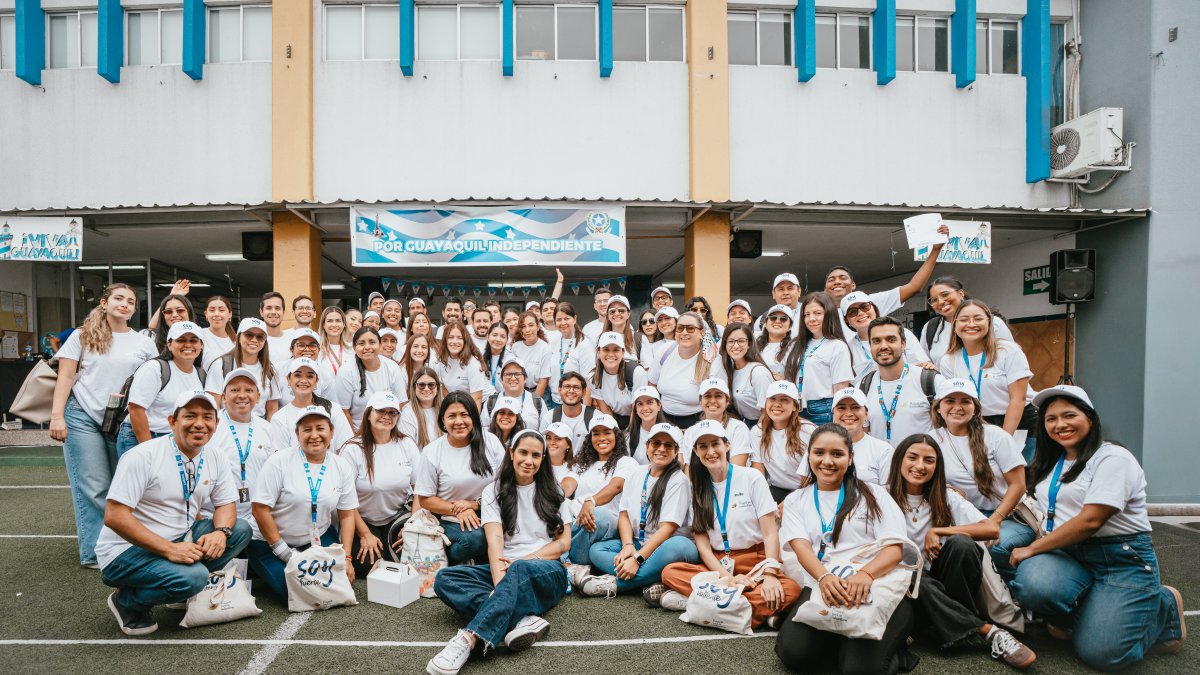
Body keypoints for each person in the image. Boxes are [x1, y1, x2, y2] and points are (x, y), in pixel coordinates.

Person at [999, 386, 1186, 670]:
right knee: (1032, 583)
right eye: (1051, 419)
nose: (1060, 425)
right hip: (1069, 553)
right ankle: (1088, 612)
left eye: (1069, 415)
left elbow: (1091, 521)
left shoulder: (1113, 458)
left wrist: (1033, 548)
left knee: (1103, 654)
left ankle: (1163, 609)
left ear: (1090, 417)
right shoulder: (1053, 461)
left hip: (1120, 559)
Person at [96, 390, 252, 635]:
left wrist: (220, 532)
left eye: (207, 417)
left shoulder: (215, 455)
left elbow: (226, 504)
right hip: (124, 551)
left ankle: (175, 583)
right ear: (172, 421)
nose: (199, 424)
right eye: (190, 416)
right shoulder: (143, 456)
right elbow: (115, 516)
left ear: (216, 423)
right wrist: (170, 549)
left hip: (179, 538)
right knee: (194, 578)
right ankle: (127, 602)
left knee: (240, 529)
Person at [883, 435, 1037, 669]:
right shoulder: (879, 496)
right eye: (912, 457)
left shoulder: (945, 495)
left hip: (946, 585)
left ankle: (944, 626)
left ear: (937, 466)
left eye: (929, 460)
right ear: (899, 460)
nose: (920, 466)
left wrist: (939, 531)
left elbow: (990, 528)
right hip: (903, 591)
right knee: (912, 577)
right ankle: (987, 631)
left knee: (962, 544)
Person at [774, 423, 917, 674]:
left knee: (859, 670)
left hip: (873, 586)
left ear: (850, 458)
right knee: (793, 654)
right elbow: (801, 547)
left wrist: (865, 574)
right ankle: (843, 641)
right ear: (809, 456)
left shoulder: (874, 494)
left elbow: (894, 550)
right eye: (819, 453)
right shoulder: (797, 499)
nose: (827, 461)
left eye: (837, 454)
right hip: (824, 585)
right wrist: (824, 577)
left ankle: (896, 648)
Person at [427, 430, 572, 675]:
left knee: (518, 568)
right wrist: (501, 583)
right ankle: (523, 619)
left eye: (536, 455)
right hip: (505, 568)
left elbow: (563, 543)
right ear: (511, 453)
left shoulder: (554, 492)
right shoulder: (493, 492)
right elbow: (495, 545)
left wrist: (521, 561)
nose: (529, 460)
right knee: (445, 578)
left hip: (548, 571)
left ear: (542, 459)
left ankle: (469, 639)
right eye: (523, 452)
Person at [51, 283, 158, 568]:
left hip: (121, 421)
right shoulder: (81, 336)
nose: (125, 304)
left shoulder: (144, 343)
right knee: (94, 487)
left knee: (123, 487)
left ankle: (122, 546)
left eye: (131, 301)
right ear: (103, 303)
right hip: (82, 416)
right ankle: (94, 553)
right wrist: (57, 416)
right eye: (119, 299)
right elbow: (65, 378)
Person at [659, 421, 800, 624]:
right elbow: (703, 545)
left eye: (715, 443)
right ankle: (751, 611)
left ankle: (703, 602)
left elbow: (770, 533)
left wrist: (770, 574)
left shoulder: (752, 477)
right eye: (703, 446)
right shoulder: (697, 486)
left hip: (755, 559)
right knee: (670, 573)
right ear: (696, 452)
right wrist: (728, 578)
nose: (710, 451)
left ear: (727, 445)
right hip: (719, 564)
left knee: (791, 590)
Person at [248, 405, 360, 602]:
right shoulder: (279, 461)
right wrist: (283, 552)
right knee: (297, 590)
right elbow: (259, 510)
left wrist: (347, 558)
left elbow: (347, 513)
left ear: (331, 431)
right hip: (270, 543)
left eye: (320, 428)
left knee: (337, 582)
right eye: (307, 429)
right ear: (297, 433)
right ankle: (260, 567)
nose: (314, 435)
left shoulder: (341, 465)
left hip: (317, 538)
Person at [581, 422, 698, 598]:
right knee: (596, 551)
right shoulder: (637, 473)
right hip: (639, 542)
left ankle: (616, 585)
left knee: (680, 546)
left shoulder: (678, 480)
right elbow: (624, 514)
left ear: (675, 452)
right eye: (656, 443)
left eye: (668, 445)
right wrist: (628, 545)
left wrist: (637, 560)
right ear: (647, 446)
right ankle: (651, 578)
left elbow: (668, 529)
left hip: (666, 547)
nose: (661, 449)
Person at [929, 378, 1027, 564]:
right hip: (963, 517)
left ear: (975, 408)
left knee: (992, 547)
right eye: (950, 401)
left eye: (965, 401)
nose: (957, 407)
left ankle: (1009, 590)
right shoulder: (931, 440)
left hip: (1009, 516)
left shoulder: (996, 436)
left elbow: (1018, 484)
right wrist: (946, 488)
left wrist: (995, 520)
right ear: (938, 408)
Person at [414, 392, 506, 564]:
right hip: (447, 515)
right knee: (472, 541)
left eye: (464, 415)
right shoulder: (432, 451)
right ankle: (456, 559)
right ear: (443, 421)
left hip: (489, 508)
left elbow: (506, 483)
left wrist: (473, 505)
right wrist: (459, 510)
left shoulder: (490, 441)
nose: (458, 421)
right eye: (451, 416)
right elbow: (425, 499)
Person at [936, 300, 1034, 455]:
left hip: (1020, 421)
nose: (971, 324)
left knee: (1021, 475)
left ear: (989, 323)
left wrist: (1004, 441)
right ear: (955, 325)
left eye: (978, 318)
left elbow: (1018, 399)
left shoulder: (1008, 351)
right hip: (979, 423)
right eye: (964, 319)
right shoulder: (949, 361)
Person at [339, 391, 419, 578]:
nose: (386, 416)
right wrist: (365, 533)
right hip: (363, 520)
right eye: (381, 410)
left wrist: (412, 527)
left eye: (392, 412)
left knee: (409, 560)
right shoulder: (352, 449)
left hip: (398, 516)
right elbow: (345, 502)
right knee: (370, 566)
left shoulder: (406, 444)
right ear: (368, 414)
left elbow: (420, 491)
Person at [117, 321, 207, 456]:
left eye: (193, 340)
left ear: (201, 345)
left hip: (176, 441)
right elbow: (136, 409)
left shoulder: (200, 374)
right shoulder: (155, 368)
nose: (188, 345)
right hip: (141, 437)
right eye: (181, 340)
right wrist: (149, 450)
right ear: (169, 345)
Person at [824, 238, 945, 336]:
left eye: (843, 278)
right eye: (831, 279)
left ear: (853, 284)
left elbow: (914, 287)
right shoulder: (818, 313)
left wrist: (935, 250)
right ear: (825, 289)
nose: (837, 282)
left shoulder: (871, 303)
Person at [566, 414, 639, 571]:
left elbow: (616, 486)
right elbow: (568, 484)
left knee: (598, 515)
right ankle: (564, 559)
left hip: (610, 521)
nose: (601, 438)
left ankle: (566, 560)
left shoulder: (626, 462)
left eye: (607, 432)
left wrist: (591, 502)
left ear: (616, 436)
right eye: (596, 433)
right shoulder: (582, 465)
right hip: (578, 524)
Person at [207, 368, 274, 537]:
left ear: (258, 397)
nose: (242, 395)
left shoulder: (267, 427)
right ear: (223, 397)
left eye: (249, 390)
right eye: (235, 390)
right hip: (214, 518)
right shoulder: (211, 426)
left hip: (257, 519)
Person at [860, 316, 945, 446]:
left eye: (891, 340)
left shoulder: (929, 380)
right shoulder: (864, 384)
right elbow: (863, 434)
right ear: (870, 346)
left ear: (903, 344)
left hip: (918, 464)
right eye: (876, 341)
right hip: (882, 465)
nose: (883, 346)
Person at [784, 293, 854, 425]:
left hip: (824, 411)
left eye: (817, 313)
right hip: (795, 410)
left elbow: (840, 389)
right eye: (806, 314)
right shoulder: (796, 344)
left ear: (829, 314)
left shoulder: (837, 346)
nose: (811, 319)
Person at [921, 276, 1016, 364]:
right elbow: (924, 363)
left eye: (945, 294)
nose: (941, 302)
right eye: (934, 300)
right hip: (944, 382)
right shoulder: (930, 328)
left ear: (961, 293)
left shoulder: (993, 322)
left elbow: (1013, 361)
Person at [270, 357, 355, 452]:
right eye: (298, 375)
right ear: (288, 380)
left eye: (310, 376)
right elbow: (282, 458)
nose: (303, 380)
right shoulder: (279, 418)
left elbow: (346, 448)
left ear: (316, 381)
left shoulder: (333, 409)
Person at [205, 317, 283, 420]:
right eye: (249, 335)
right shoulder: (221, 365)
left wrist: (268, 432)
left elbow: (272, 408)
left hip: (258, 428)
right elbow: (214, 404)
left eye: (260, 337)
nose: (254, 340)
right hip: (228, 425)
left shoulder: (269, 370)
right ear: (238, 336)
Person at [750, 381, 816, 502]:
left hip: (805, 491)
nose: (777, 404)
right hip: (775, 490)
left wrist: (790, 502)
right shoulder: (757, 431)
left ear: (795, 406)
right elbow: (758, 472)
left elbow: (810, 477)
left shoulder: (809, 431)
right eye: (772, 399)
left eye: (784, 400)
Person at [335, 327, 408, 432]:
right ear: (354, 347)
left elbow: (401, 404)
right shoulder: (346, 372)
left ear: (380, 345)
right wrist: (354, 440)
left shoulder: (392, 367)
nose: (367, 347)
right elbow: (344, 412)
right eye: (361, 343)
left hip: (388, 432)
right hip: (358, 434)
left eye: (372, 342)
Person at [840, 291, 928, 378]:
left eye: (864, 307)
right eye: (852, 312)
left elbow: (922, 366)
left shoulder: (902, 333)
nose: (860, 313)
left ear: (874, 308)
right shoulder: (847, 349)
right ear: (847, 321)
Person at [646, 311, 710, 428]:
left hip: (698, 421)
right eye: (680, 328)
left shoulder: (710, 359)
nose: (684, 332)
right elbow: (652, 385)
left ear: (701, 333)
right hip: (663, 419)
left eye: (690, 328)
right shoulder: (664, 351)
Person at [831, 387, 895, 485]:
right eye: (841, 408)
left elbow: (887, 495)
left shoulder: (884, 450)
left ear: (866, 414)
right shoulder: (819, 446)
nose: (848, 414)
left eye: (855, 407)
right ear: (833, 414)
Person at [711, 322, 773, 422]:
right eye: (731, 341)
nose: (735, 346)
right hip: (742, 423)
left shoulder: (758, 372)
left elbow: (767, 413)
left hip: (760, 424)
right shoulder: (730, 370)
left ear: (749, 344)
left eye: (741, 341)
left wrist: (756, 434)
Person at [684, 378, 753, 465]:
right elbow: (689, 470)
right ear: (700, 401)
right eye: (707, 396)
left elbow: (737, 468)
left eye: (718, 396)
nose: (712, 401)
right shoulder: (690, 432)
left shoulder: (738, 428)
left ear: (727, 401)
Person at [588, 332, 648, 428]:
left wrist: (629, 434)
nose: (611, 354)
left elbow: (637, 408)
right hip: (614, 417)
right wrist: (616, 431)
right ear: (598, 352)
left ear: (623, 353)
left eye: (616, 350)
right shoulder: (593, 377)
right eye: (606, 349)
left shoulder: (636, 372)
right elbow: (605, 409)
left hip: (638, 418)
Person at [481, 356, 544, 432]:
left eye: (517, 374)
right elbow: (484, 429)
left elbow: (544, 432)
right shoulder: (491, 401)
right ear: (501, 380)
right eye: (508, 374)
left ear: (525, 379)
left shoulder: (537, 401)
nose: (513, 378)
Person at [538, 371, 597, 453]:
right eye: (567, 386)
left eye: (576, 387)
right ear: (559, 390)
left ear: (584, 392)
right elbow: (542, 448)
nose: (571, 391)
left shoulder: (595, 417)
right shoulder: (549, 417)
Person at [277, 328, 336, 408]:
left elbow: (329, 407)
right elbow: (272, 407)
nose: (307, 349)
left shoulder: (326, 375)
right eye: (301, 345)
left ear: (319, 349)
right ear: (291, 349)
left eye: (312, 345)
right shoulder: (277, 370)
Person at [548, 301, 590, 410]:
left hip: (576, 403)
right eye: (558, 320)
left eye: (566, 318)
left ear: (574, 319)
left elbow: (588, 381)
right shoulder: (553, 342)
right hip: (554, 402)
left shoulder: (584, 344)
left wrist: (585, 411)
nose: (563, 323)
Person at [435, 322, 487, 407]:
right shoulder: (441, 361)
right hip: (459, 405)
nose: (455, 342)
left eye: (459, 338)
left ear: (465, 341)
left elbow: (477, 398)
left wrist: (472, 420)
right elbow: (444, 389)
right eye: (451, 337)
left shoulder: (473, 363)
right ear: (445, 340)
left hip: (480, 404)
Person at [509, 311, 552, 399]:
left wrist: (532, 403)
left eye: (531, 325)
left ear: (538, 326)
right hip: (519, 391)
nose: (527, 330)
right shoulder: (516, 347)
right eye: (523, 326)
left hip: (540, 393)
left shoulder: (545, 348)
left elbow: (543, 382)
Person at [399, 366, 444, 449]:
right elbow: (406, 449)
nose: (426, 389)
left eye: (431, 385)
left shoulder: (445, 408)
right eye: (421, 385)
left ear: (437, 388)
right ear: (414, 387)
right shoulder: (408, 413)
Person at [626, 386, 668, 464]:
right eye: (640, 404)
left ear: (659, 405)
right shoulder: (628, 436)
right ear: (635, 409)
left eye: (650, 402)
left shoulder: (672, 433)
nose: (645, 408)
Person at [754, 273, 802, 337]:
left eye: (790, 288)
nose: (785, 293)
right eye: (781, 289)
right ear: (773, 293)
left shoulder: (808, 314)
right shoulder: (763, 319)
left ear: (799, 291)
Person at [600, 295, 643, 366]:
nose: (616, 314)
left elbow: (647, 369)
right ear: (607, 315)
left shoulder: (639, 338)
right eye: (612, 311)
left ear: (628, 314)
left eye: (621, 311)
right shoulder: (601, 338)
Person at [754, 303, 795, 378]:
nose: (777, 321)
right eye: (773, 317)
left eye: (783, 318)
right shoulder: (753, 346)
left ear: (790, 326)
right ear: (766, 323)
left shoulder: (795, 348)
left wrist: (784, 379)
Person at [199, 296, 236, 370]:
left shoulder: (237, 341)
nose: (216, 314)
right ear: (206, 314)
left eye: (221, 310)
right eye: (212, 310)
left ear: (230, 314)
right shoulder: (199, 334)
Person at [544, 422, 579, 497]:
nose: (551, 442)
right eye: (548, 438)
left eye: (558, 439)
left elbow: (561, 494)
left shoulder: (574, 468)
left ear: (568, 445)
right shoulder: (536, 462)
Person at [317, 306, 350, 383]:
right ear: (323, 325)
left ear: (344, 324)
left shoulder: (352, 349)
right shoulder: (316, 350)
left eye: (338, 321)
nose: (334, 324)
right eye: (330, 321)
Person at [259, 292, 292, 370]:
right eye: (269, 308)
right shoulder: (253, 341)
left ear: (283, 312)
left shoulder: (292, 340)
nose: (273, 312)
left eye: (277, 308)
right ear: (261, 312)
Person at [480, 322, 510, 395]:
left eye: (502, 336)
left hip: (504, 400)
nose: (498, 339)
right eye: (494, 335)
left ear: (507, 340)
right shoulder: (479, 357)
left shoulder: (510, 359)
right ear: (488, 337)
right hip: (483, 399)